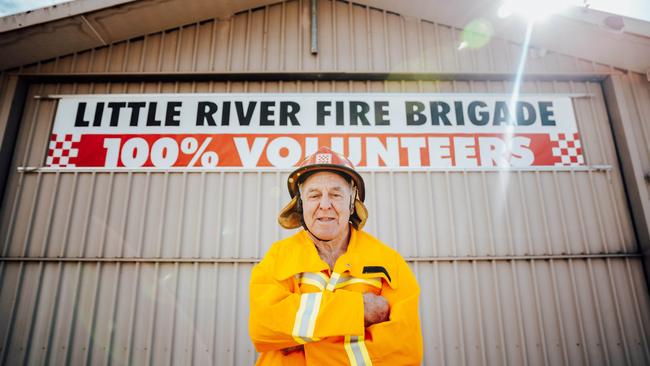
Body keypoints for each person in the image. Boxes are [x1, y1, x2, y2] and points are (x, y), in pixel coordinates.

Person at [248, 146, 423, 365]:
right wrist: (358, 311)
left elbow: (404, 351)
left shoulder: (389, 262)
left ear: (352, 204)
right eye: (314, 195)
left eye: (336, 194)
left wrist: (304, 342)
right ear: (301, 205)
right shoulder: (277, 258)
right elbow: (263, 327)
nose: (325, 205)